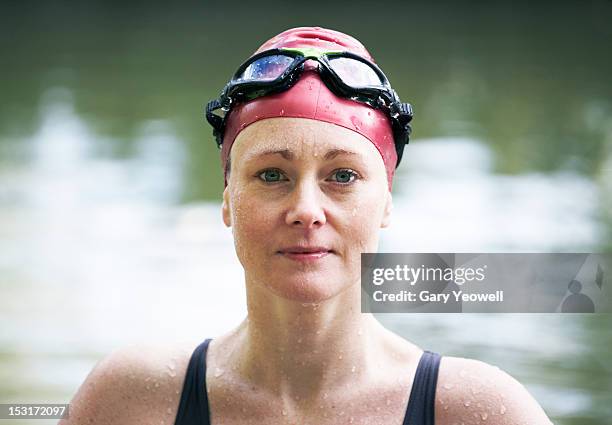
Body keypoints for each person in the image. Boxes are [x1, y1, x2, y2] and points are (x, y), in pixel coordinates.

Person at [60, 27, 553, 425]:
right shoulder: (134, 403)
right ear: (228, 198)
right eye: (272, 175)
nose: (306, 210)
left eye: (343, 176)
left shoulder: (479, 412)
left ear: (386, 202)